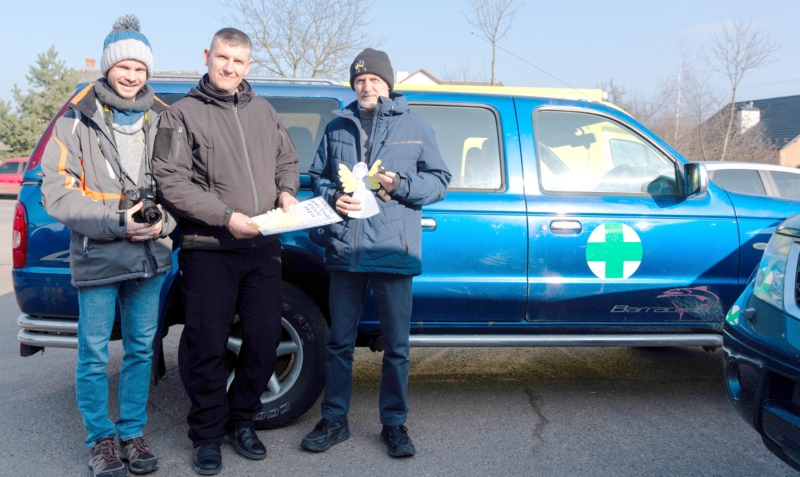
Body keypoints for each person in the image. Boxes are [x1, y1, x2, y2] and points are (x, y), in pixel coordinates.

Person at [151, 28, 299, 475]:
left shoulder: (265, 110)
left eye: (238, 60)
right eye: (222, 57)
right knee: (206, 347)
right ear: (207, 56)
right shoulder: (179, 115)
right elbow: (169, 180)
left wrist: (287, 193)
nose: (229, 67)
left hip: (262, 248)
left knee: (263, 340)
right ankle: (207, 435)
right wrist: (224, 215)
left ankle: (242, 420)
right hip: (209, 248)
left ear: (249, 65)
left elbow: (286, 161)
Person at [40, 14, 173, 477]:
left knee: (140, 350)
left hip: (150, 257)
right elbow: (56, 193)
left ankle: (132, 433)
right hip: (98, 255)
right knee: (94, 354)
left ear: (147, 71)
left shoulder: (163, 119)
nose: (131, 75)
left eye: (140, 67)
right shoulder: (77, 120)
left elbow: (181, 187)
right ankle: (100, 440)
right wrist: (119, 222)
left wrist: (163, 225)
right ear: (107, 66)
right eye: (123, 66)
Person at [302, 48, 451, 457]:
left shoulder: (416, 125)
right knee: (338, 342)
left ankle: (395, 425)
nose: (366, 86)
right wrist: (333, 196)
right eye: (359, 80)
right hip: (344, 248)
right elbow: (316, 177)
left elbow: (439, 181)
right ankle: (334, 420)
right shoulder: (337, 126)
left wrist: (400, 184)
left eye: (374, 80)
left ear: (388, 84)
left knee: (397, 346)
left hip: (393, 249)